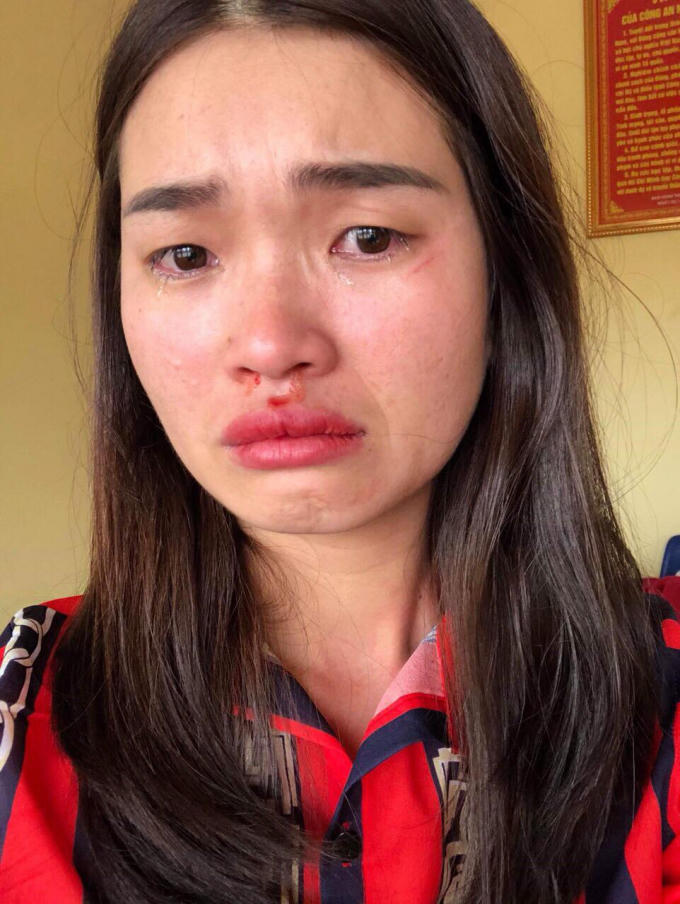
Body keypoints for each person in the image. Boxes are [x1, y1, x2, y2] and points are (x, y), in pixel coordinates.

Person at [1, 0, 678, 901]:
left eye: (367, 237)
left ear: (504, 276)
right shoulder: (24, 720)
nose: (270, 344)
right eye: (186, 254)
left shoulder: (662, 695)